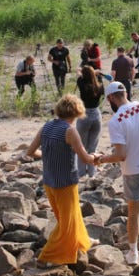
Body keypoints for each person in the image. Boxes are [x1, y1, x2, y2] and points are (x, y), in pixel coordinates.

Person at [24, 94, 100, 265]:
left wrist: (48, 156)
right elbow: (85, 158)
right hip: (65, 182)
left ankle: (84, 241)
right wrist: (97, 156)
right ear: (76, 112)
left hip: (50, 181)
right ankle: (47, 256)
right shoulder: (70, 131)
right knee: (67, 223)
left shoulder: (47, 126)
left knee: (70, 215)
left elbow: (30, 152)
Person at [95, 81, 139, 264]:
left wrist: (102, 159)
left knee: (133, 211)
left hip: (131, 170)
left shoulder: (116, 120)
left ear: (110, 98)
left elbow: (121, 155)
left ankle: (133, 253)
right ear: (125, 92)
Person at [75, 65, 105, 178]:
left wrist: (80, 70)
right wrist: (97, 74)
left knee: (81, 146)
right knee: (93, 146)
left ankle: (81, 173)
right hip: (96, 114)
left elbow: (79, 76)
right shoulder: (99, 86)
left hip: (84, 115)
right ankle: (92, 172)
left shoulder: (82, 85)